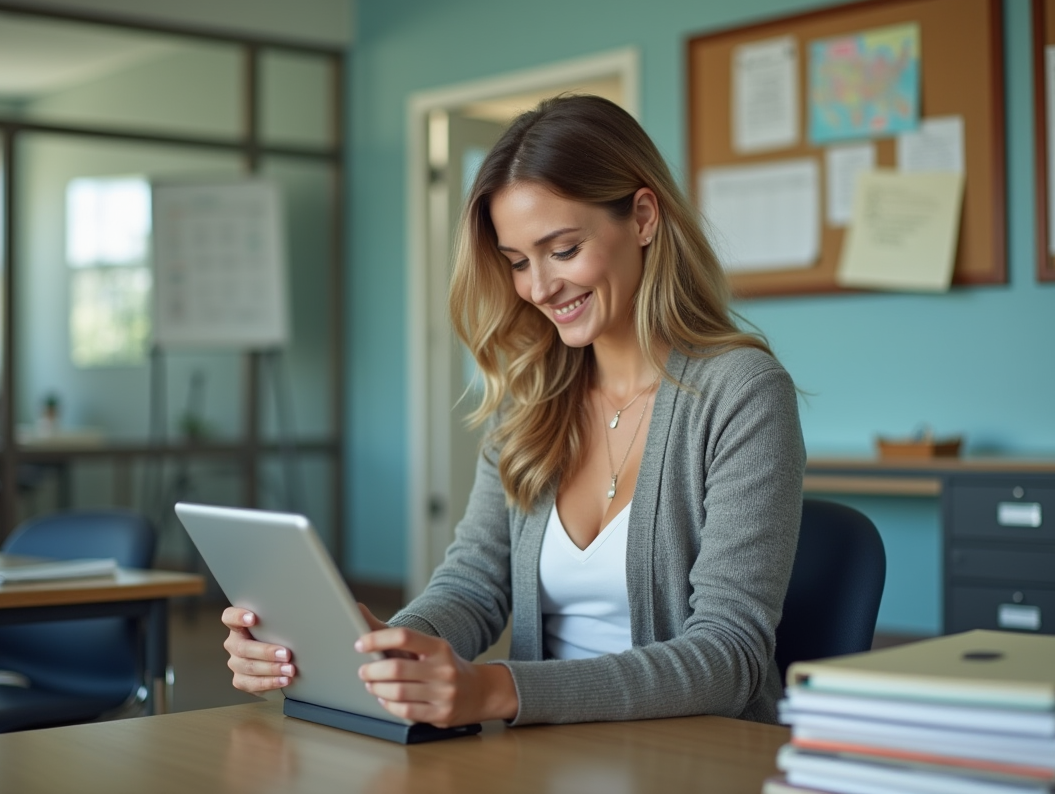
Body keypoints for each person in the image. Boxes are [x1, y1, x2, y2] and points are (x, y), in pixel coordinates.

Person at [223, 94, 805, 728]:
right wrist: (384, 647)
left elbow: (731, 655)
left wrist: (498, 690)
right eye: (518, 263)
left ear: (642, 217)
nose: (539, 289)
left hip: (694, 763)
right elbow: (472, 589)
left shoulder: (742, 393)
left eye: (562, 250)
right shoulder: (531, 402)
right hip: (545, 760)